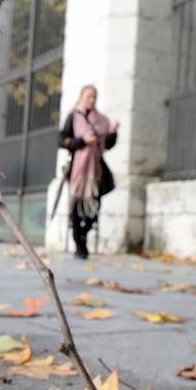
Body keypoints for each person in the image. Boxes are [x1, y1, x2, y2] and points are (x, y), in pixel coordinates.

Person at [59, 84, 118, 259]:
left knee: (94, 207)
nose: (91, 99)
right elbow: (61, 140)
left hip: (96, 170)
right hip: (78, 170)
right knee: (77, 208)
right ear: (82, 97)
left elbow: (108, 145)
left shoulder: (102, 120)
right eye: (88, 96)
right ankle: (80, 244)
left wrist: (113, 132)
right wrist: (82, 141)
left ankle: (83, 235)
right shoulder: (73, 116)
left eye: (94, 97)